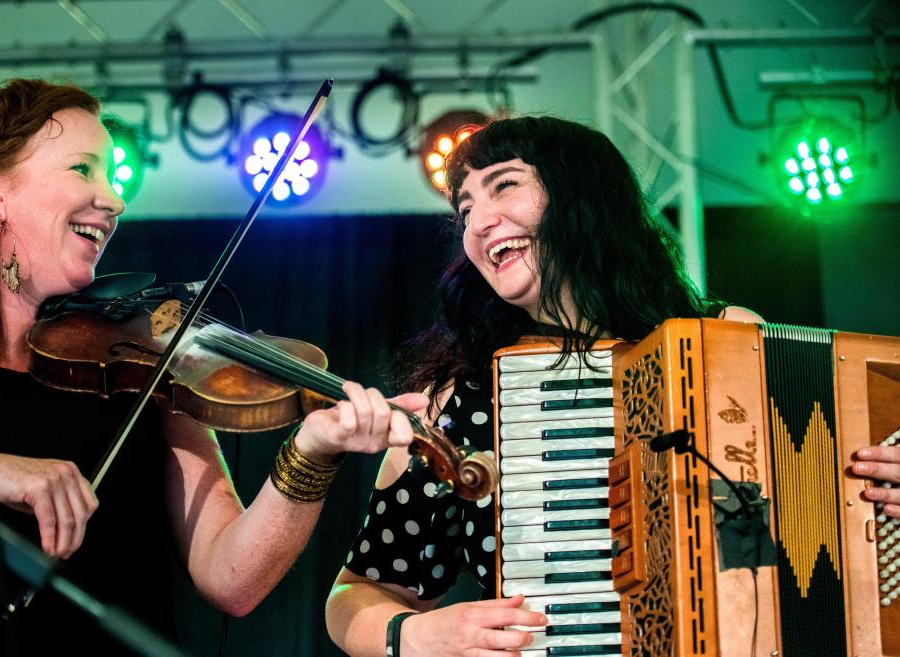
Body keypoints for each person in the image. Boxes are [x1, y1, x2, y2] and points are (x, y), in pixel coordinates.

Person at [0, 78, 429, 656]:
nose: (115, 201)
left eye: (112, 178)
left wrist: (314, 449)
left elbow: (233, 577)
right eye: (83, 170)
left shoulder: (138, 368)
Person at [324, 116, 762, 657]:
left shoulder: (726, 341)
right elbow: (358, 591)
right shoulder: (458, 404)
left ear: (580, 194)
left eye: (504, 185)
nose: (479, 221)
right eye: (464, 209)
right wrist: (411, 635)